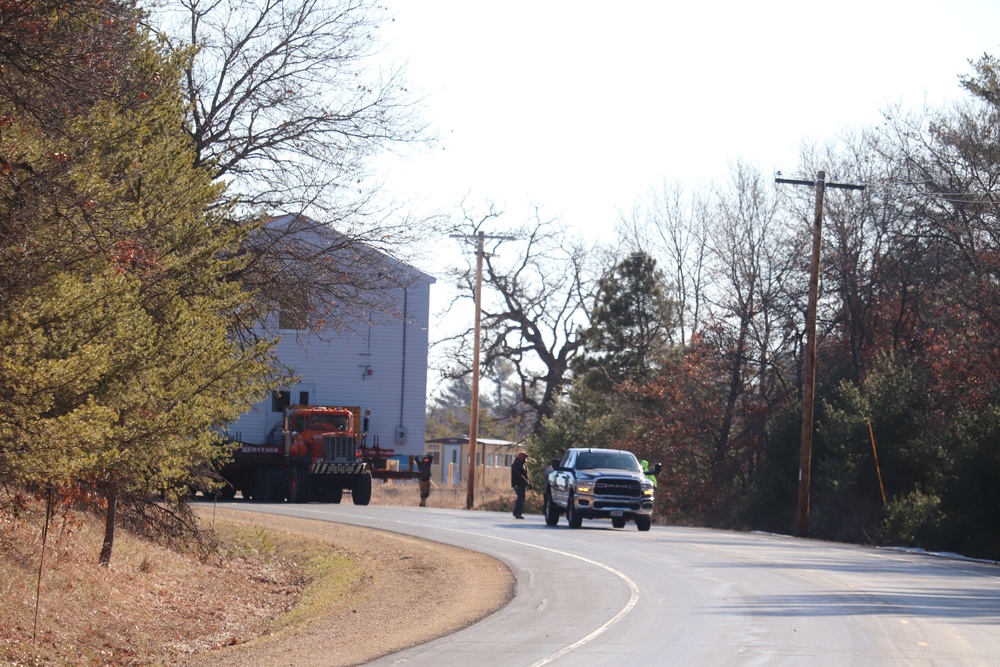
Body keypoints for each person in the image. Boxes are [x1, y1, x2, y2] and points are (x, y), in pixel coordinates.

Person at [510, 451, 531, 519]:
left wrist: (529, 482)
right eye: (525, 457)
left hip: (522, 484)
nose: (526, 459)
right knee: (520, 497)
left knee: (522, 498)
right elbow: (518, 475)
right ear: (521, 457)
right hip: (517, 484)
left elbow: (526, 475)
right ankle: (516, 513)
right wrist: (525, 481)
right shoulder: (516, 464)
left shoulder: (523, 464)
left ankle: (519, 513)